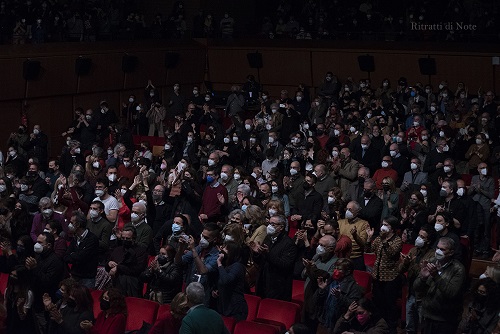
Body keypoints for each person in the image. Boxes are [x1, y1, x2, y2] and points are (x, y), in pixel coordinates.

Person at [413, 237, 466, 334]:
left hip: (445, 320)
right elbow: (416, 287)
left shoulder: (458, 269)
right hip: (427, 315)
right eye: (437, 248)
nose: (438, 251)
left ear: (451, 252)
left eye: (442, 249)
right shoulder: (430, 262)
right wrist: (422, 278)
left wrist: (436, 276)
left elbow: (451, 293)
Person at [365, 216, 403, 334]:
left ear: (392, 228)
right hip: (377, 276)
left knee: (390, 305)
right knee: (378, 303)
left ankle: (391, 329)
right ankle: (379, 327)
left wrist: (385, 240)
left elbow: (392, 253)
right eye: (383, 224)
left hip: (390, 277)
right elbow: (369, 249)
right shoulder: (379, 238)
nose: (383, 227)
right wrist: (369, 238)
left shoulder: (397, 240)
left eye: (386, 225)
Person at [398, 225, 436, 334]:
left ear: (428, 241)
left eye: (422, 237)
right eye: (418, 235)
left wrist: (412, 264)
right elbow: (400, 270)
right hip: (411, 294)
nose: (418, 238)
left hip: (423, 296)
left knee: (423, 327)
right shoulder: (413, 250)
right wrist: (405, 263)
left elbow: (422, 274)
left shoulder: (432, 255)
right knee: (409, 326)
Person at [251, 214, 297, 301]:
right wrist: (256, 253)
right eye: (269, 223)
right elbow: (260, 262)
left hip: (277, 286)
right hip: (263, 281)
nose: (269, 226)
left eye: (273, 224)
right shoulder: (268, 238)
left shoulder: (289, 244)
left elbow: (285, 265)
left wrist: (268, 253)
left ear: (281, 227)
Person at [174, 223, 220, 306]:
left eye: (206, 238)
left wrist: (193, 250)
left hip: (204, 297)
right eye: (202, 236)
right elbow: (178, 262)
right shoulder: (199, 248)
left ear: (215, 239)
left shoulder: (216, 255)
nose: (202, 239)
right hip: (189, 292)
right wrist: (181, 247)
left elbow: (203, 271)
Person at [302, 234, 338, 332]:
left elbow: (326, 278)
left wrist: (312, 268)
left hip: (320, 301)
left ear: (331, 249)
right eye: (319, 244)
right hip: (308, 296)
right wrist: (308, 268)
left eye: (322, 245)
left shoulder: (335, 263)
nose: (319, 247)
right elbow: (303, 274)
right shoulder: (316, 257)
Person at [317, 258, 363, 332]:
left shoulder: (354, 287)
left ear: (348, 272)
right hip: (324, 321)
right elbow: (319, 302)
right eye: (335, 268)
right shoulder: (331, 281)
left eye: (339, 269)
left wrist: (340, 297)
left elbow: (354, 306)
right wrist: (322, 290)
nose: (336, 271)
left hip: (339, 324)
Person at [106, 225, 148, 297]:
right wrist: (109, 264)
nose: (125, 240)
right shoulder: (117, 250)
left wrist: (118, 267)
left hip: (132, 287)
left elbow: (137, 270)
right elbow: (108, 266)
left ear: (134, 239)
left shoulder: (141, 251)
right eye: (123, 238)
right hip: (116, 286)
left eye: (128, 239)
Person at [213, 241, 248, 321]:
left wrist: (219, 264)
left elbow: (226, 280)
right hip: (224, 306)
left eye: (226, 248)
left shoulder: (237, 266)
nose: (223, 250)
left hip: (235, 308)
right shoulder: (226, 266)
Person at [64, 211, 99, 289]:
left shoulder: (92, 239)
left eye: (72, 222)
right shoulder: (75, 238)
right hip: (74, 275)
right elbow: (66, 256)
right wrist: (75, 255)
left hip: (87, 277)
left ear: (78, 224)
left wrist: (73, 255)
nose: (69, 225)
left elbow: (82, 257)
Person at [5, 265, 36, 334]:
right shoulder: (8, 290)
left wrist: (19, 307)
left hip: (23, 327)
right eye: (11, 275)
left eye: (15, 276)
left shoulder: (28, 293)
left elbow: (23, 317)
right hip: (10, 323)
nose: (12, 277)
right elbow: (6, 308)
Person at [338, 201, 369, 270]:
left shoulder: (363, 224)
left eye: (350, 209)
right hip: (341, 257)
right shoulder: (340, 222)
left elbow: (363, 244)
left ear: (357, 211)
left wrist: (355, 235)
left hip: (355, 257)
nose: (347, 211)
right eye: (347, 209)